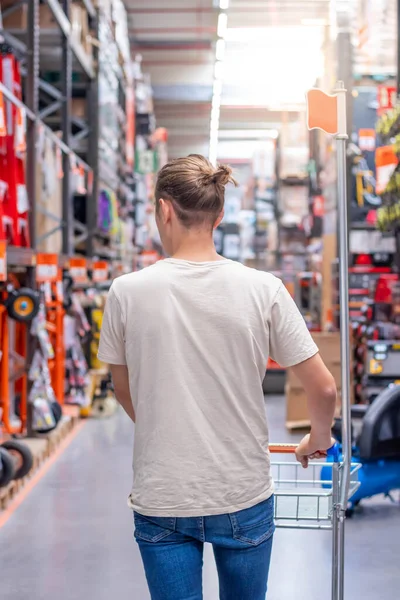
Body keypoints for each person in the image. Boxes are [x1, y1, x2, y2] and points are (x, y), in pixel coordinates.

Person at [98, 155, 337, 600]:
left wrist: (171, 430)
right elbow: (323, 387)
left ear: (164, 209)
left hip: (162, 494)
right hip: (241, 493)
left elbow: (126, 392)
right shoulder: (263, 289)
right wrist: (316, 438)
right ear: (220, 215)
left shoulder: (126, 292)